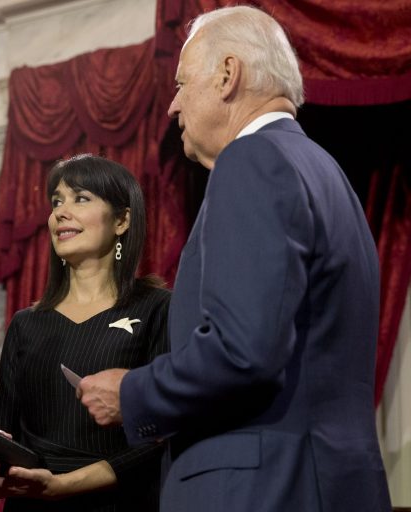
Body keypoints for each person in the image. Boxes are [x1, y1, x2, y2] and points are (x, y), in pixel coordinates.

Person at [76, 6, 392, 512]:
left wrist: (134, 393)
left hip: (261, 490)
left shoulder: (253, 161)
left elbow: (243, 352)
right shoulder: (324, 171)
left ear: (228, 75)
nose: (172, 106)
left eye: (181, 83)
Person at [0, 155, 170, 511]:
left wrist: (64, 485)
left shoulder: (158, 307)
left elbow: (162, 434)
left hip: (121, 502)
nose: (61, 211)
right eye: (57, 201)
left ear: (122, 220)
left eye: (81, 198)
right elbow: (5, 435)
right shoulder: (25, 324)